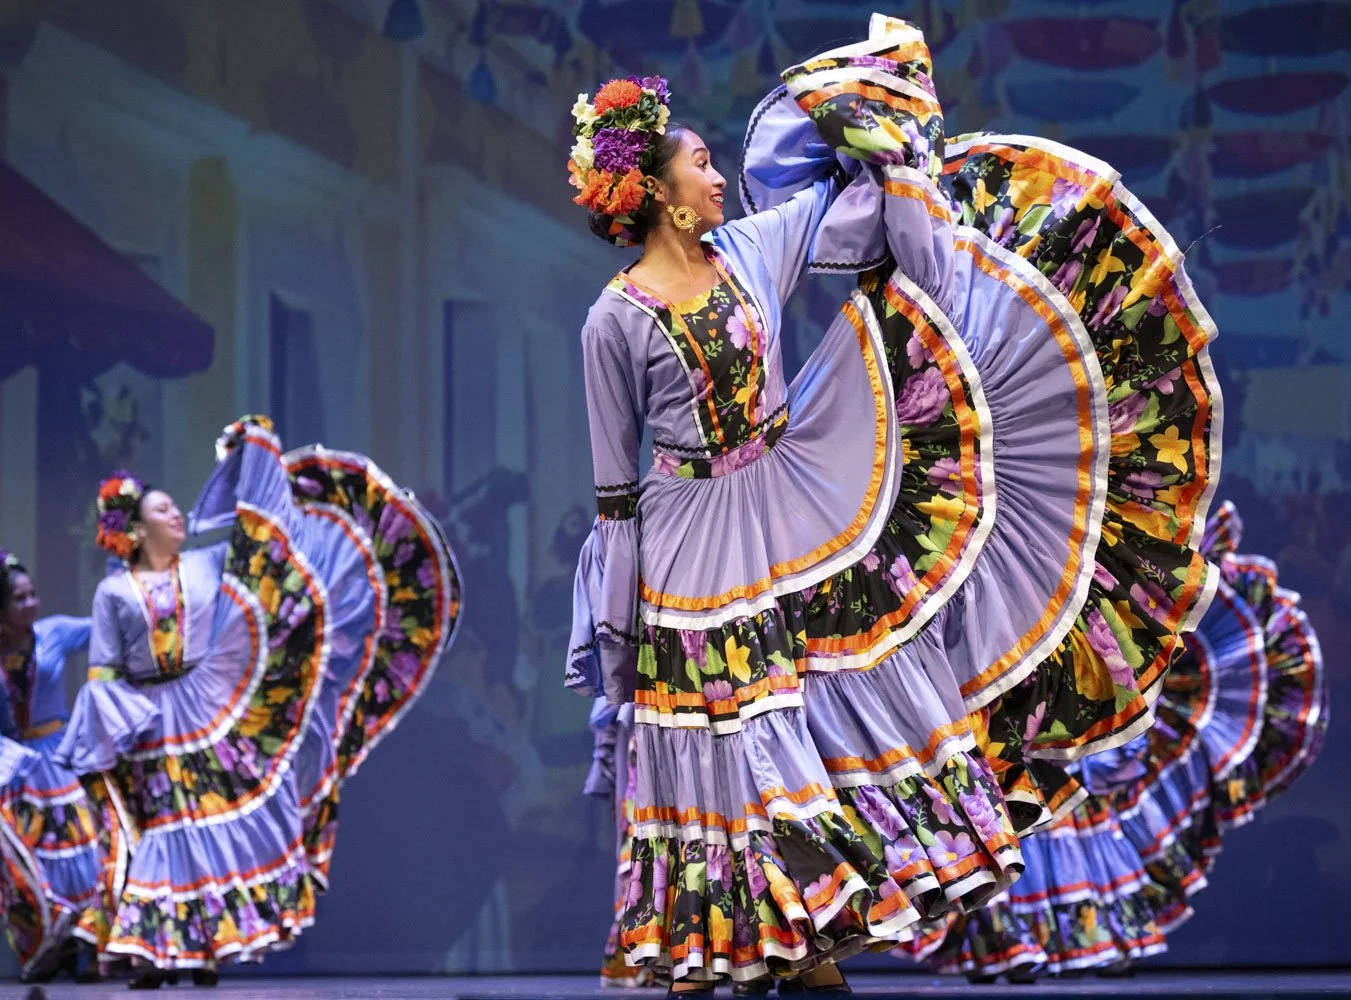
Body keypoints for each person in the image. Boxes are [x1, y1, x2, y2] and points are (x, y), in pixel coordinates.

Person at [563, 14, 1222, 993]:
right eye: (701, 163)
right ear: (654, 190)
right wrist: (614, 636)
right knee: (703, 743)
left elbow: (879, 223)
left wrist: (874, 129)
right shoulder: (612, 323)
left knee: (804, 716)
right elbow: (615, 495)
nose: (717, 176)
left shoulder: (748, 250)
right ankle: (710, 947)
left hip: (777, 513)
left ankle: (808, 937)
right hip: (680, 550)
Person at [56, 416, 461, 985]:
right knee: (167, 826)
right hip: (149, 717)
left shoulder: (205, 565)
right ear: (138, 531)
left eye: (176, 508)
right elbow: (103, 666)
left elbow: (265, 547)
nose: (177, 515)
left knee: (207, 825)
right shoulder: (113, 591)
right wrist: (108, 718)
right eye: (162, 511)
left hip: (211, 704)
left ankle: (201, 948)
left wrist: (257, 451)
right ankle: (156, 948)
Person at [904, 502, 1328, 982]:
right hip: (995, 643)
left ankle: (1075, 936)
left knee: (1057, 784)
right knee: (1010, 790)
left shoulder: (1066, 518)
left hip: (1059, 643)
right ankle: (1009, 938)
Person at [0, 548, 105, 982]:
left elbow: (106, 629)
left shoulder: (55, 633)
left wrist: (122, 573)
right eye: (19, 599)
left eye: (32, 595)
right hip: (14, 765)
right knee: (22, 858)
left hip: (58, 757)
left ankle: (88, 946)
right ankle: (44, 946)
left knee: (83, 850)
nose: (31, 604)